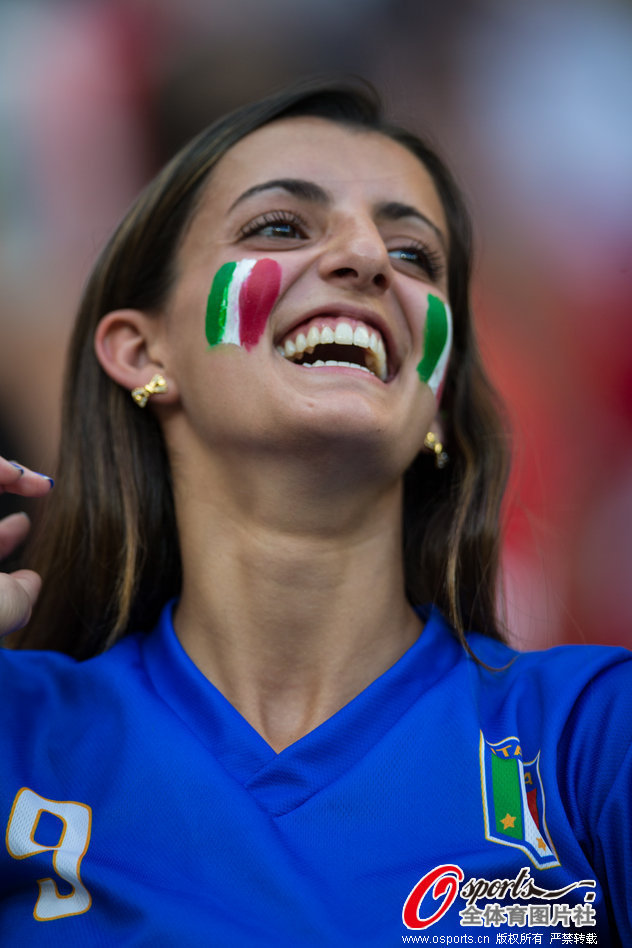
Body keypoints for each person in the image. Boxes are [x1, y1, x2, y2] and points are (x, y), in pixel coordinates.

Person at [0, 80, 629, 945]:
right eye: (280, 227)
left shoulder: (590, 738)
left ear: (439, 400)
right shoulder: (21, 731)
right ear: (143, 351)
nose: (368, 258)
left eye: (414, 255)